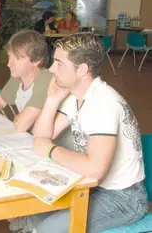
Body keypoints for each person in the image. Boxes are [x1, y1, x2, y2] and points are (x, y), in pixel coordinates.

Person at [13, 33, 148, 233]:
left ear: (82, 69)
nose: (51, 69)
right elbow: (40, 136)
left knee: (49, 229)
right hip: (91, 186)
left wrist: (50, 150)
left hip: (123, 198)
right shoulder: (76, 96)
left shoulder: (103, 103)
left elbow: (94, 169)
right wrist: (52, 99)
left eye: (59, 64)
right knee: (33, 208)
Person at [0, 30, 52, 132]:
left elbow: (21, 125)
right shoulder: (18, 77)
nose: (9, 64)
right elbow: (0, 100)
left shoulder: (46, 80)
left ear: (37, 60)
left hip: (52, 144)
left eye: (18, 58)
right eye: (10, 57)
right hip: (30, 138)